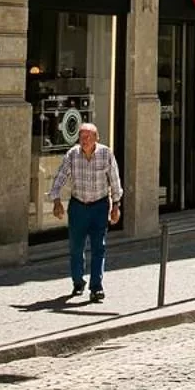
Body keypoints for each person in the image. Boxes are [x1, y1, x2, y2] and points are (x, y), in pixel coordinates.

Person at [50, 122, 122, 302]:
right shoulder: (72, 154)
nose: (84, 140)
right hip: (78, 207)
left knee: (99, 247)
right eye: (82, 137)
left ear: (97, 138)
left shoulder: (106, 153)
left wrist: (116, 205)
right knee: (76, 247)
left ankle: (96, 287)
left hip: (99, 206)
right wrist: (56, 200)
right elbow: (60, 177)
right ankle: (77, 281)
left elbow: (114, 180)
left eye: (88, 137)